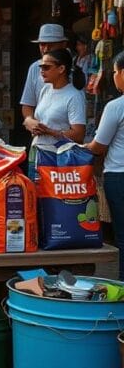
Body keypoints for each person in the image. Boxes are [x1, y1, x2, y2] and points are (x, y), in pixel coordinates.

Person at [85, 51, 124, 279]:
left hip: (119, 175)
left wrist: (82, 148)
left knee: (122, 235)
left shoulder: (116, 107)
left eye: (116, 72)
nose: (114, 76)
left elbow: (99, 146)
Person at [24, 48, 86, 176]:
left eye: (46, 67)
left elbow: (79, 134)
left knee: (53, 195)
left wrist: (50, 131)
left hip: (58, 158)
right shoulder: (45, 90)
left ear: (61, 69)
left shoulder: (74, 96)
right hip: (37, 152)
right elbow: (38, 116)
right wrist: (32, 124)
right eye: (41, 67)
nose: (41, 71)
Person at [21, 23, 70, 123]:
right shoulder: (34, 68)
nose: (46, 49)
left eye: (51, 45)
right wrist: (30, 121)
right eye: (43, 44)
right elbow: (27, 104)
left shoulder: (74, 69)